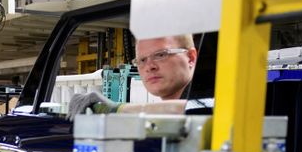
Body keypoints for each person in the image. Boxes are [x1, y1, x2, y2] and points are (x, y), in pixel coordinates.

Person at [68, 34, 212, 117]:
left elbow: (195, 110)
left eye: (161, 54)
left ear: (191, 58)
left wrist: (114, 108)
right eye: (142, 60)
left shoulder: (217, 99)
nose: (150, 66)